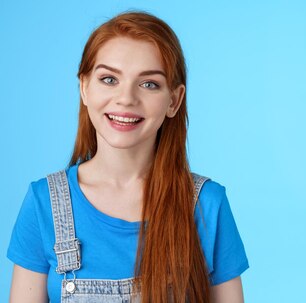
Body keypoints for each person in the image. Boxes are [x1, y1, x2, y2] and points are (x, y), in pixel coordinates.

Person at [7, 11, 249, 303]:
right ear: (84, 87)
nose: (126, 99)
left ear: (174, 100)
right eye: (109, 79)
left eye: (149, 84)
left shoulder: (207, 205)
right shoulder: (43, 202)